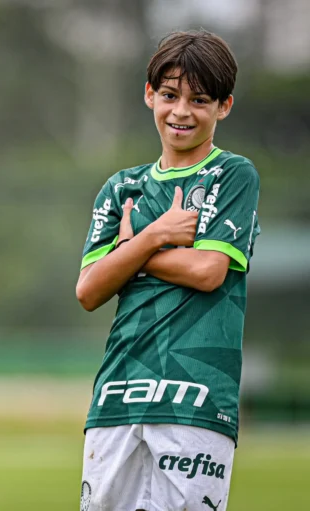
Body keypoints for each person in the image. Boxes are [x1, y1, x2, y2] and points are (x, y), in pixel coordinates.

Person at [75, 30, 260, 511]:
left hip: (197, 401)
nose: (181, 112)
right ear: (149, 94)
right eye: (170, 95)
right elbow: (91, 288)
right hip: (116, 398)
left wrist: (130, 249)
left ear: (224, 106)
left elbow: (207, 271)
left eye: (199, 100)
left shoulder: (232, 175)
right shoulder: (121, 188)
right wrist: (157, 236)